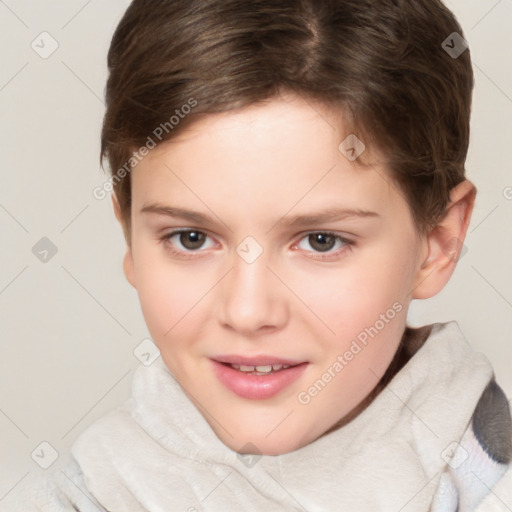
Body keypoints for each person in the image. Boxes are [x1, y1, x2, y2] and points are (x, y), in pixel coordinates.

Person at [3, 0, 511, 510]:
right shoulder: (87, 492)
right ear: (130, 236)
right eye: (191, 238)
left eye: (321, 241)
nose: (247, 312)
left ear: (438, 242)